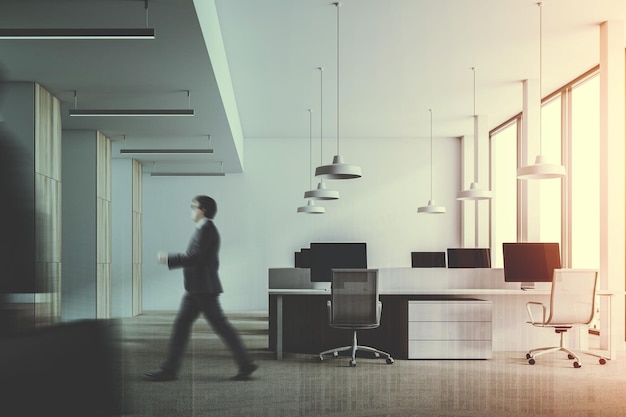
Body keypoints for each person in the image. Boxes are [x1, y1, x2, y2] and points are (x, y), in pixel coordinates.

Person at [145, 195, 257, 381]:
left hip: (203, 289)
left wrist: (168, 258)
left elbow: (195, 257)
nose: (191, 210)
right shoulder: (204, 229)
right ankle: (169, 370)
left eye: (193, 206)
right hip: (197, 289)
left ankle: (246, 364)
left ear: (203, 209)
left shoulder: (206, 229)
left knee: (220, 327)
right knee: (184, 327)